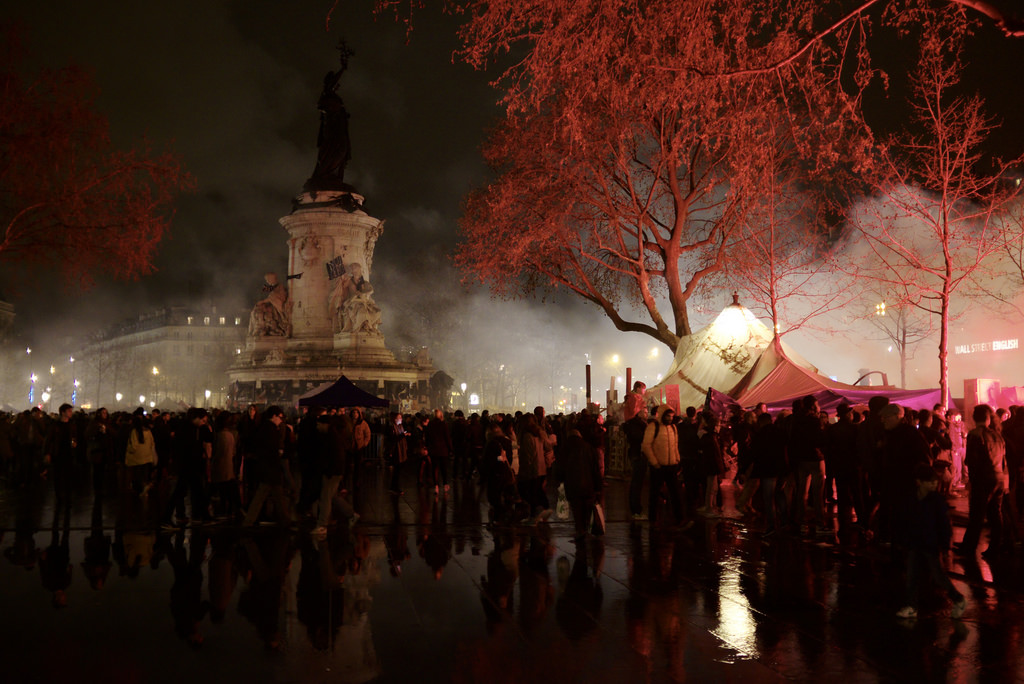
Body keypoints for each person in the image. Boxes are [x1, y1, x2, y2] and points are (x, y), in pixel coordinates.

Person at [895, 464, 966, 620]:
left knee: (937, 576)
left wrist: (946, 546)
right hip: (916, 542)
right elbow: (907, 520)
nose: (934, 484)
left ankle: (958, 598)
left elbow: (945, 525)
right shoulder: (913, 499)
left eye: (934, 481)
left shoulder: (936, 501)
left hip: (930, 544)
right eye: (930, 482)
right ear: (919, 482)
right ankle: (911, 606)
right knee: (912, 575)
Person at [956, 404, 1009, 558]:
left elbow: (972, 461)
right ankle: (994, 548)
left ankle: (969, 548)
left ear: (974, 418)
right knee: (995, 514)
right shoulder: (998, 436)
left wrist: (971, 481)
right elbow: (1004, 462)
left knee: (977, 515)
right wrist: (1005, 482)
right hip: (998, 478)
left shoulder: (975, 434)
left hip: (983, 479)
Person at [242, 406, 292, 527]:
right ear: (274, 416)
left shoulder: (265, 428)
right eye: (280, 417)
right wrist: (278, 454)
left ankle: (250, 521)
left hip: (267, 468)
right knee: (266, 496)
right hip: (270, 468)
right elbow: (270, 449)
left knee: (272, 496)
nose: (281, 420)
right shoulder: (270, 430)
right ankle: (249, 521)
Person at [642, 405, 687, 527]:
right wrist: (654, 462)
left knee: (675, 493)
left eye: (671, 416)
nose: (670, 418)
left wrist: (677, 459)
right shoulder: (653, 427)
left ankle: (680, 519)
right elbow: (646, 446)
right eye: (668, 416)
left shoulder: (673, 427)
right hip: (658, 466)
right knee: (655, 493)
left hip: (671, 465)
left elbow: (675, 445)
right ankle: (653, 519)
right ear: (661, 414)